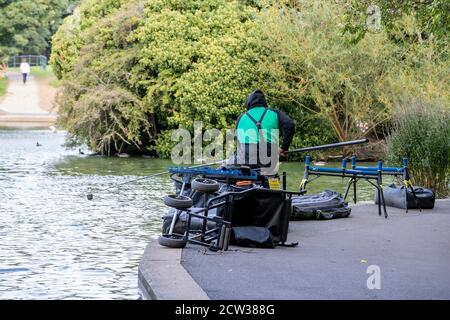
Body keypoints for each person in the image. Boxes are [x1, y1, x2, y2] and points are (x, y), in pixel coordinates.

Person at [235, 89, 295, 176]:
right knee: (269, 176)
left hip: (246, 157)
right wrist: (283, 148)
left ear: (248, 103)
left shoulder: (241, 117)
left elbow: (238, 140)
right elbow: (290, 125)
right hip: (268, 154)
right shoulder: (274, 113)